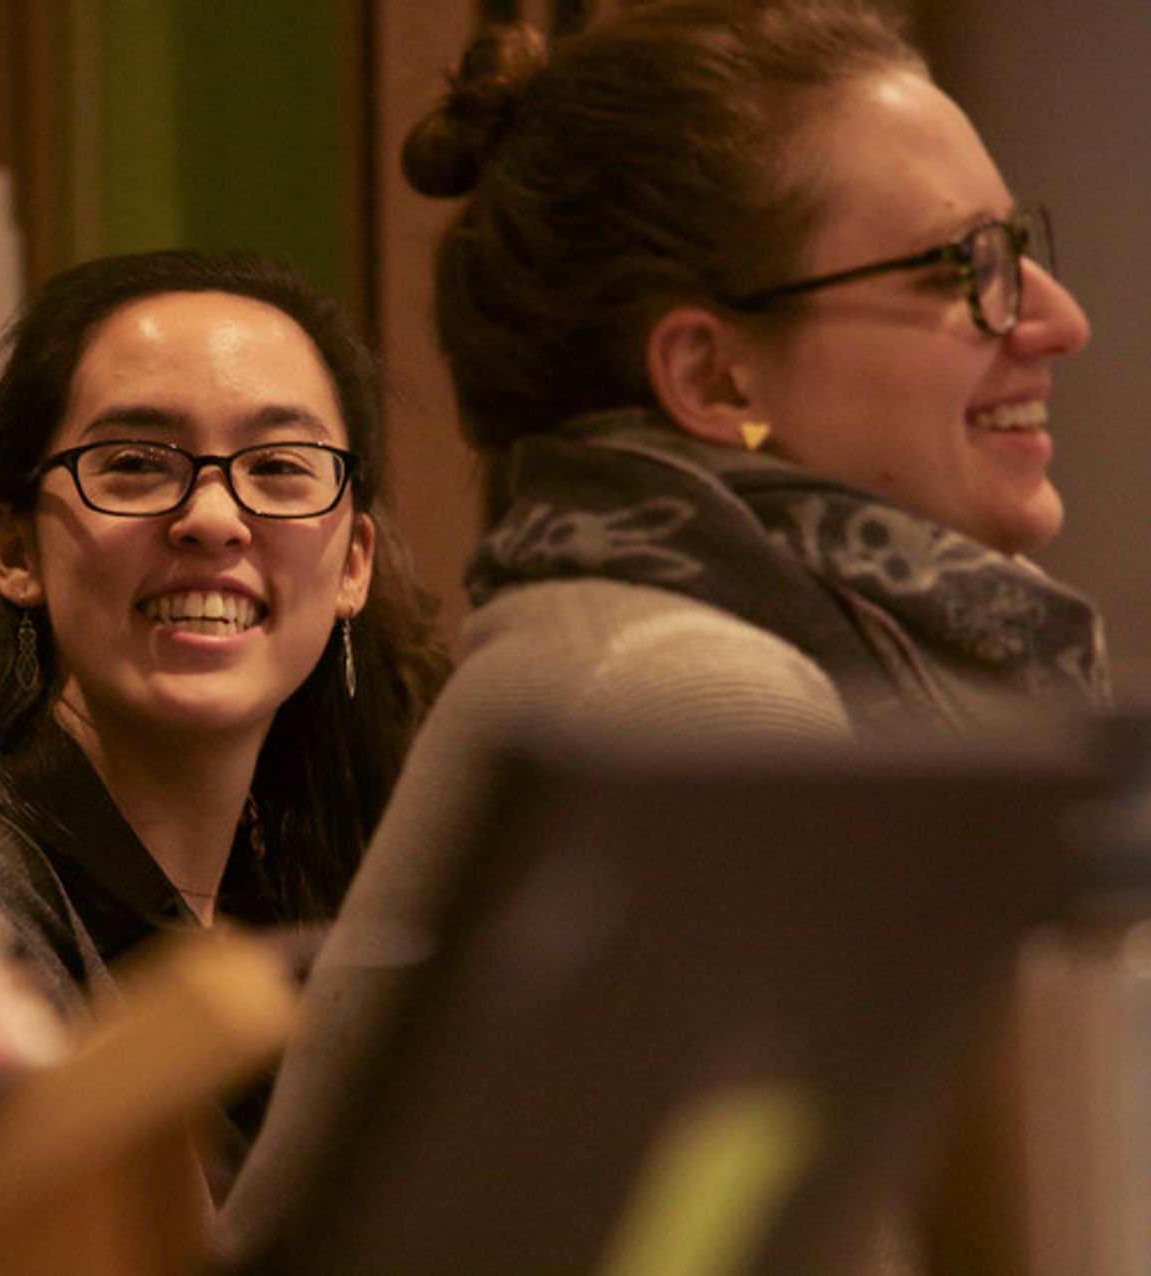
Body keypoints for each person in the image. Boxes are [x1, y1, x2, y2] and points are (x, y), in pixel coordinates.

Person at [218, 0, 1109, 1267]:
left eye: (1019, 247)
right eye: (965, 266)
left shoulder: (647, 646)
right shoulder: (698, 700)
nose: (1054, 318)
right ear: (715, 381)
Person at [0, 248, 448, 1027]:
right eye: (137, 462)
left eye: (278, 465)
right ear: (16, 550)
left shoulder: (290, 896)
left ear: (354, 565)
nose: (213, 519)